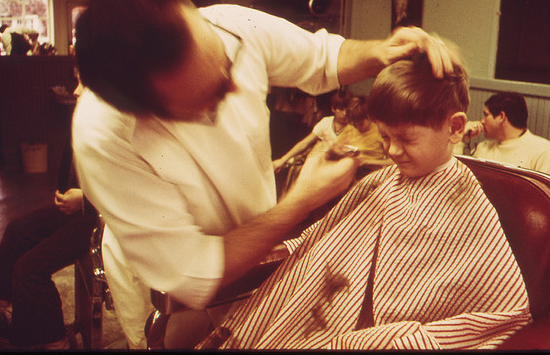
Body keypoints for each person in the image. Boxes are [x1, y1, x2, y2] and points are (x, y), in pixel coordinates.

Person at [71, 0, 456, 348]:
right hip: (170, 291)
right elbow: (192, 271)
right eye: (215, 92)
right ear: (148, 113)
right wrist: (300, 202)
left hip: (262, 269)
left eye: (225, 62)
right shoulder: (103, 138)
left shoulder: (233, 25)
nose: (236, 83)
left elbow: (325, 58)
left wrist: (379, 51)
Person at [197, 49, 531, 350]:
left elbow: (504, 309)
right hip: (321, 320)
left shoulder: (467, 204)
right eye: (385, 136)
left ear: (455, 128)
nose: (392, 150)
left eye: (406, 138)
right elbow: (318, 243)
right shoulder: (381, 182)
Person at [0, 70, 98, 350]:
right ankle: (12, 315)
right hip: (83, 207)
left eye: (84, 83)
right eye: (76, 81)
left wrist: (85, 200)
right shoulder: (87, 117)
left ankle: (55, 342)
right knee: (17, 230)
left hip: (101, 219)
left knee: (29, 270)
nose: (76, 91)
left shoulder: (120, 120)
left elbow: (127, 194)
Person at [456, 91, 550, 179]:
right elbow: (459, 180)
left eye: (486, 115)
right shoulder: (483, 148)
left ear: (501, 116)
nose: (482, 121)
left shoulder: (543, 151)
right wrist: (460, 138)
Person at [273, 89, 351, 173]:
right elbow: (305, 143)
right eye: (341, 109)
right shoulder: (326, 122)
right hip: (320, 164)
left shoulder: (353, 127)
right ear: (333, 109)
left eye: (347, 110)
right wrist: (282, 159)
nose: (344, 113)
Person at [334, 95, 392, 172]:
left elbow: (392, 162)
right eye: (354, 124)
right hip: (349, 167)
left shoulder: (380, 131)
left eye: (360, 124)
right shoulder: (350, 128)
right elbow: (335, 147)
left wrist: (367, 161)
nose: (357, 127)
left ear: (369, 116)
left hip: (369, 170)